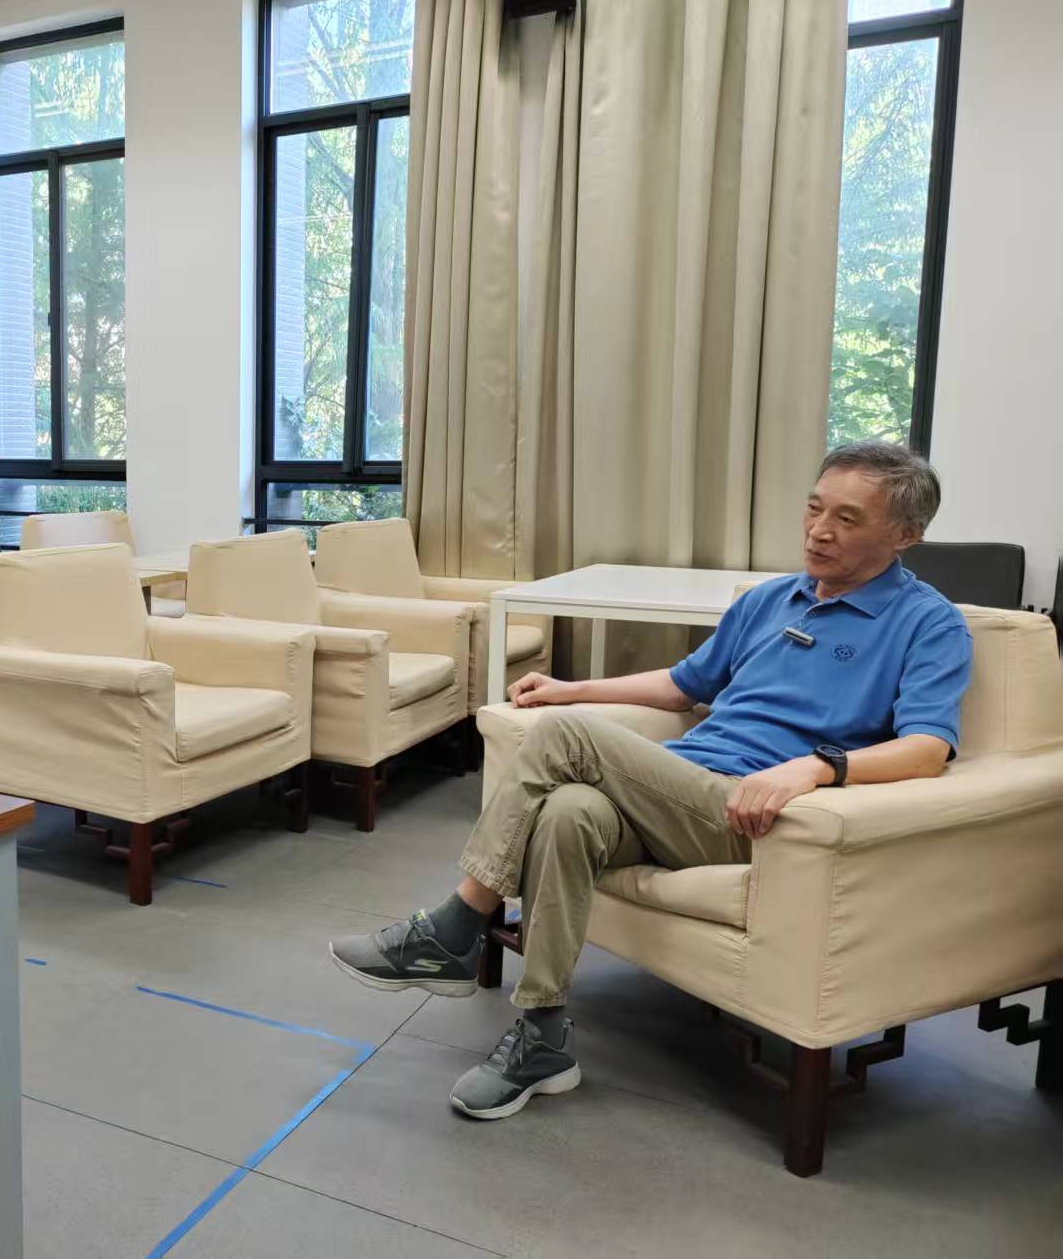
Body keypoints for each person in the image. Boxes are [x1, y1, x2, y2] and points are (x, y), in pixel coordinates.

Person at [329, 441, 972, 1122]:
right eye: (814, 509)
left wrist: (818, 766)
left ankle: (456, 926)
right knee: (569, 812)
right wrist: (572, 687)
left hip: (754, 816)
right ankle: (542, 1037)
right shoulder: (769, 600)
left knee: (567, 736)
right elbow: (682, 686)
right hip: (681, 790)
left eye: (847, 518)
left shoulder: (928, 623)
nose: (818, 530)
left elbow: (928, 748)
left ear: (905, 534)